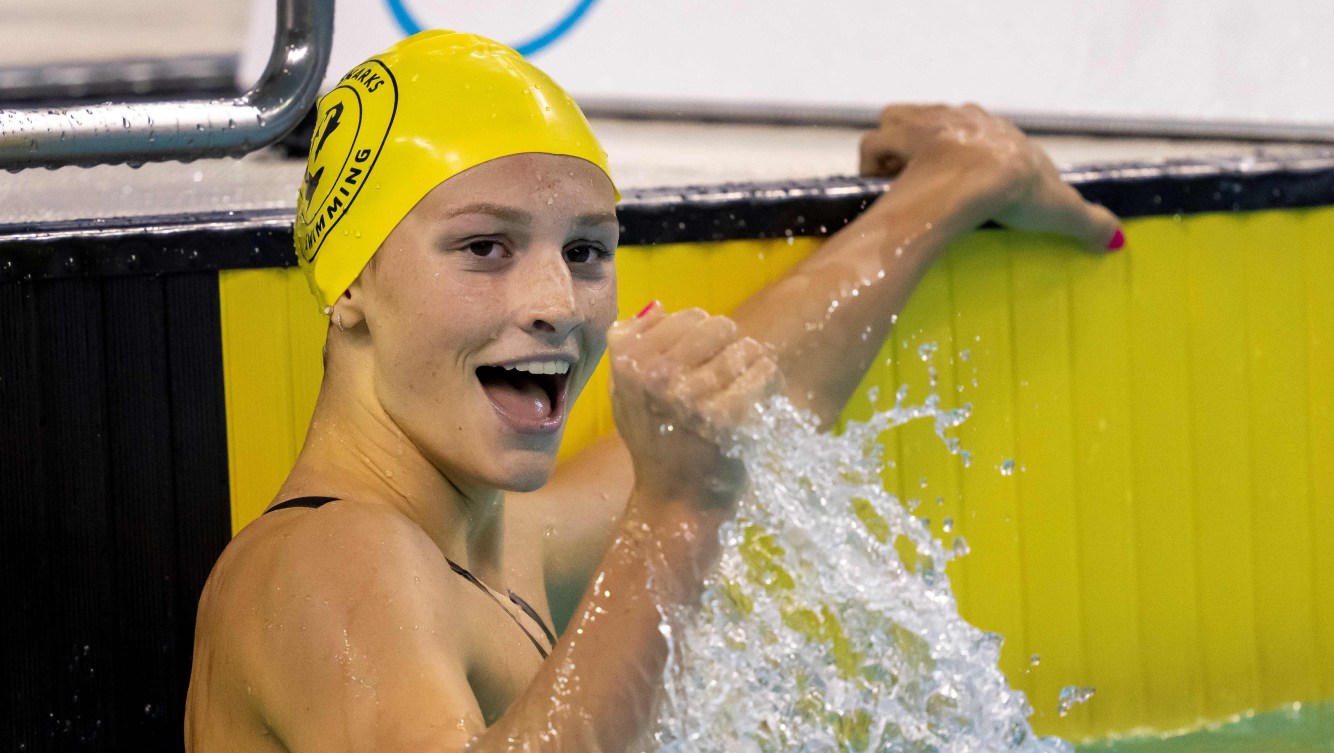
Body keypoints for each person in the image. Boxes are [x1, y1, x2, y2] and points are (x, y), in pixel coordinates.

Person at [184, 30, 1122, 753]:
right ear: (350, 282)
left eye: (586, 251)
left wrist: (945, 196)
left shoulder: (487, 546)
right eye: (485, 248)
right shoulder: (331, 557)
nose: (557, 303)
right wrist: (677, 510)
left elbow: (765, 381)